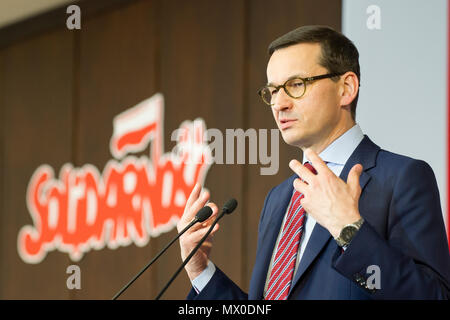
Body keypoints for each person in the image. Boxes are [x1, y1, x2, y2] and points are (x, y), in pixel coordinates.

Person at [177, 25, 450, 299]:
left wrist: (350, 231)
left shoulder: (401, 178)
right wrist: (200, 270)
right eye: (272, 91)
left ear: (346, 88)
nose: (279, 104)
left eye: (296, 85)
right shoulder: (278, 199)